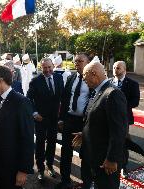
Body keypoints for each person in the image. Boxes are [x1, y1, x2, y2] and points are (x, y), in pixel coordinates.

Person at [73, 61, 127, 189]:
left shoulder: (112, 94)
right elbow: (99, 122)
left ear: (94, 74)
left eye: (85, 78)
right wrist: (85, 133)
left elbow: (119, 130)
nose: (84, 81)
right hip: (95, 156)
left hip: (105, 161)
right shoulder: (99, 91)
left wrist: (112, 159)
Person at [56, 53, 91, 189]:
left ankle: (86, 184)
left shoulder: (92, 79)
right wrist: (61, 119)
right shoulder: (70, 78)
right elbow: (64, 100)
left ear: (87, 62)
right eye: (75, 61)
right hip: (69, 120)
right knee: (66, 152)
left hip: (84, 123)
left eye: (80, 61)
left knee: (86, 154)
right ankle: (65, 180)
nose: (77, 64)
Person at [26, 58, 64, 181]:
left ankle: (50, 165)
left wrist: (61, 117)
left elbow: (62, 98)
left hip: (54, 119)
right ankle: (41, 169)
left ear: (53, 66)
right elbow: (28, 99)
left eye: (49, 67)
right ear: (40, 68)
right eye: (44, 68)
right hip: (40, 119)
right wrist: (34, 113)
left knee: (52, 143)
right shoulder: (35, 81)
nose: (47, 70)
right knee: (40, 144)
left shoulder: (59, 78)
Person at [109, 60, 140, 173]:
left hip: (123, 119)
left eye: (118, 68)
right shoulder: (109, 82)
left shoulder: (133, 84)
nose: (115, 70)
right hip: (109, 118)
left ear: (124, 70)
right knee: (110, 141)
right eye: (114, 68)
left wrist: (121, 105)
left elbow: (135, 101)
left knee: (122, 142)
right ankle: (110, 161)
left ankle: (123, 166)